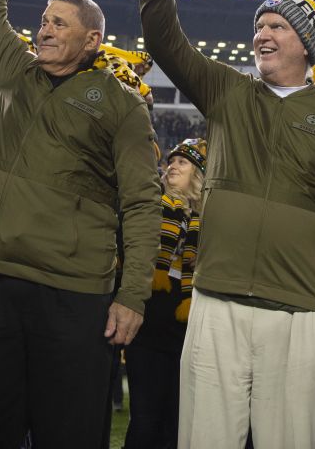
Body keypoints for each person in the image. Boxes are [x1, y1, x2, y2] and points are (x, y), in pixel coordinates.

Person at [132, 0, 315, 449]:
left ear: (306, 43)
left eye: (276, 25)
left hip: (300, 312)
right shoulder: (227, 91)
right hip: (216, 300)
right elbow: (164, 41)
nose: (262, 34)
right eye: (259, 26)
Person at [0, 0, 164, 449]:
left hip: (72, 293)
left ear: (92, 40)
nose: (44, 29)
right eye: (44, 20)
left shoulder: (122, 104)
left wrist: (132, 295)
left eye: (58, 23)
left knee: (68, 433)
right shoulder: (15, 70)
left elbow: (141, 203)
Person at [124, 138, 208, 449]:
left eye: (182, 163)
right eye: (171, 161)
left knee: (176, 419)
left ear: (197, 175)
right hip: (149, 316)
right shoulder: (150, 204)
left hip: (185, 323)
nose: (173, 165)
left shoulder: (206, 218)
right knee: (145, 418)